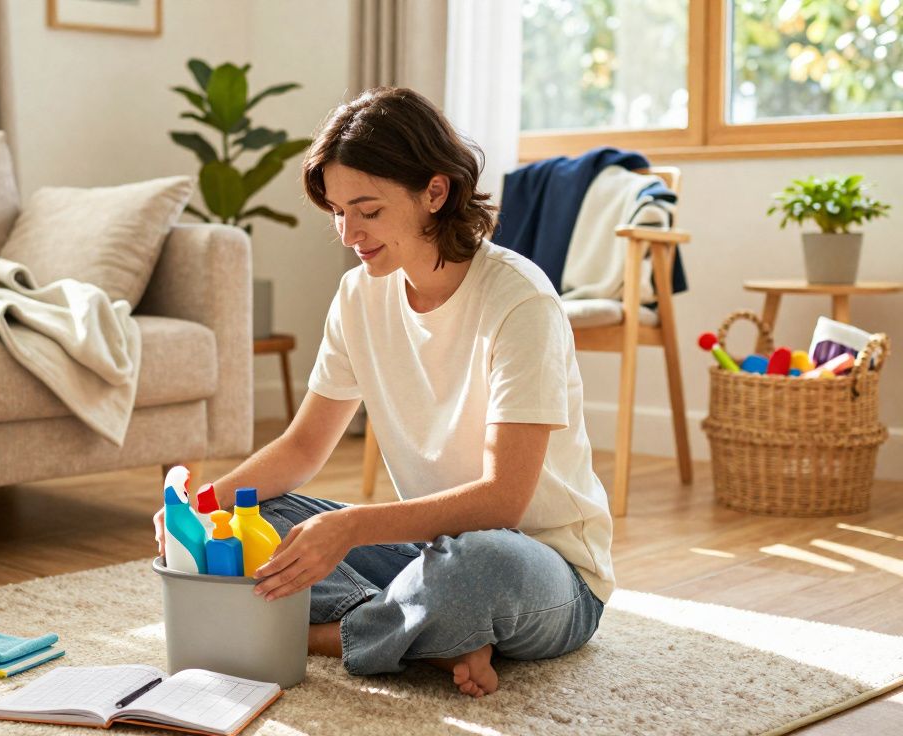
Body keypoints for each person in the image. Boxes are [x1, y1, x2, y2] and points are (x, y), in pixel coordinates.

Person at [153, 86, 613, 698]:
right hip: (425, 552)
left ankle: (330, 632)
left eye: (367, 211)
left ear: (435, 191)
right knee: (254, 518)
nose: (349, 233)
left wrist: (351, 528)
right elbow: (303, 448)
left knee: (478, 566)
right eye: (338, 212)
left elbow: (504, 501)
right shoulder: (359, 295)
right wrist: (200, 508)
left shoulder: (520, 300)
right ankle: (429, 634)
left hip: (543, 573)